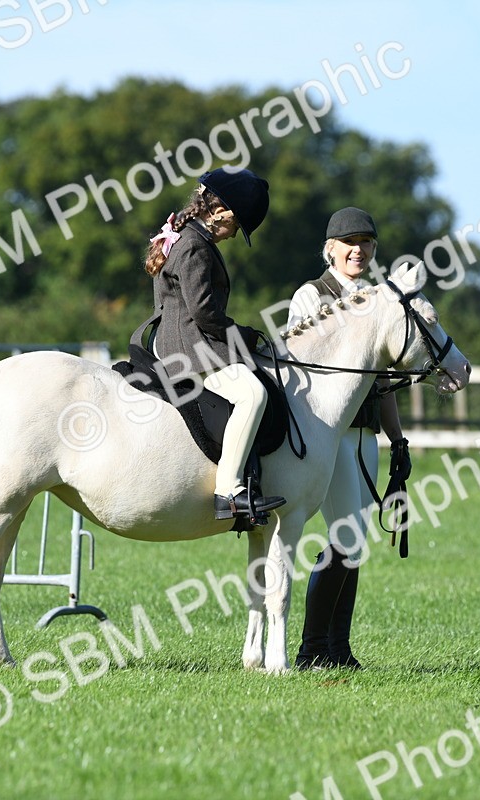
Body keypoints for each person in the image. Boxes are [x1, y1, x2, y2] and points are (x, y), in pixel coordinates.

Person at [287, 207, 410, 670]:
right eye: (349, 242)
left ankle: (339, 649)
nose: (358, 250)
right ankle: (311, 649)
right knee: (347, 537)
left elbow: (382, 379)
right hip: (327, 433)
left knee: (354, 546)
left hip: (365, 434)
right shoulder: (310, 296)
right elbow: (298, 364)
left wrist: (397, 440)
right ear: (331, 248)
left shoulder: (380, 299)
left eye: (367, 243)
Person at [144, 168, 286, 523]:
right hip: (188, 348)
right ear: (220, 212)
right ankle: (229, 491)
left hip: (182, 340)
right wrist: (248, 336)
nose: (234, 234)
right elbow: (206, 314)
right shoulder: (194, 245)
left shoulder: (183, 235)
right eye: (236, 226)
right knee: (253, 393)